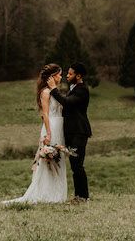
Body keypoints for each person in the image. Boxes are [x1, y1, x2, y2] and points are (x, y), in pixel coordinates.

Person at [3, 64, 67, 204]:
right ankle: (46, 193)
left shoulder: (55, 91)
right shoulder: (45, 92)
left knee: (58, 159)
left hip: (59, 126)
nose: (61, 77)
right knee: (48, 160)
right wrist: (48, 133)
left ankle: (57, 193)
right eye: (59, 74)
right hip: (51, 126)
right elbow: (45, 113)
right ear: (52, 76)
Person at [47, 62, 91, 202]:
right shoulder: (73, 88)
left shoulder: (82, 89)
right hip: (72, 133)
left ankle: (83, 196)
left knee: (77, 164)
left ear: (78, 76)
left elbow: (67, 102)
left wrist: (54, 89)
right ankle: (79, 196)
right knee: (74, 164)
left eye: (70, 74)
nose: (67, 75)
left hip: (79, 132)